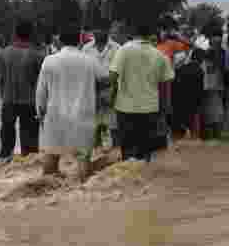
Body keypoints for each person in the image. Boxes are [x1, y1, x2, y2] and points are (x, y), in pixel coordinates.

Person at [36, 29, 109, 182]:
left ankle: (48, 189)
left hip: (55, 117)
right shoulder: (89, 60)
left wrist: (40, 113)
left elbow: (41, 92)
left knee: (51, 159)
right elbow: (105, 78)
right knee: (82, 161)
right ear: (80, 42)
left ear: (60, 42)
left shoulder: (49, 60)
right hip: (83, 116)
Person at [110, 21, 175, 162]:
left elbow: (113, 77)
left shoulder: (123, 50)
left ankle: (127, 178)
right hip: (150, 109)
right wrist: (164, 111)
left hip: (125, 108)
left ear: (133, 34)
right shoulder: (160, 55)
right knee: (146, 151)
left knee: (127, 150)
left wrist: (112, 97)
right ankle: (144, 175)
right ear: (150, 36)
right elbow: (165, 86)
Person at [0, 20, 45, 161]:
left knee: (6, 144)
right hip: (30, 102)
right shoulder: (37, 55)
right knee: (30, 150)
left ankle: (5, 160)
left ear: (15, 34)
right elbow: (41, 83)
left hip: (8, 100)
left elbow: (0, 80)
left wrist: (4, 97)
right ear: (31, 34)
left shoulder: (3, 54)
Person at [83, 24, 121, 148]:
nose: (99, 31)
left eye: (102, 28)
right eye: (96, 28)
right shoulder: (86, 49)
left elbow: (120, 73)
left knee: (115, 129)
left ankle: (116, 161)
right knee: (94, 131)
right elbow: (83, 72)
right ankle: (96, 158)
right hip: (92, 94)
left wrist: (113, 92)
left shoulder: (117, 48)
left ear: (107, 29)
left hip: (113, 94)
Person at [172, 46, 205, 139]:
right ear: (201, 59)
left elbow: (174, 84)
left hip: (178, 102)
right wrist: (200, 102)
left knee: (179, 130)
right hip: (192, 103)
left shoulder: (181, 68)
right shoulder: (199, 71)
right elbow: (200, 89)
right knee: (193, 128)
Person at [199, 27, 226, 140]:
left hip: (218, 87)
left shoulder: (223, 53)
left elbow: (223, 68)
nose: (216, 43)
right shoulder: (206, 53)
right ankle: (211, 134)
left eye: (218, 42)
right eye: (215, 41)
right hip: (208, 87)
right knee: (210, 112)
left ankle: (217, 134)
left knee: (217, 112)